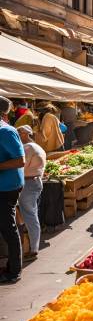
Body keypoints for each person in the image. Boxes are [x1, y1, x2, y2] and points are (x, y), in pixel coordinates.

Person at [0, 96, 25, 284]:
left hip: (6, 187)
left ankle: (14, 270)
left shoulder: (6, 131)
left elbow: (20, 160)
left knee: (8, 229)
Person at [17, 125, 46, 261]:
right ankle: (30, 246)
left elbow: (20, 167)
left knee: (30, 216)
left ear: (24, 134)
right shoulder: (36, 146)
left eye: (18, 133)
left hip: (28, 184)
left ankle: (33, 249)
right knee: (30, 215)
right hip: (35, 182)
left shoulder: (27, 148)